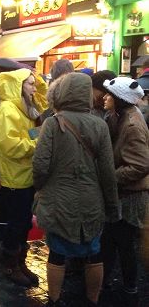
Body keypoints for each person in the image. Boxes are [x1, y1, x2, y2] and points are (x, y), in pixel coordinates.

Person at [32, 73, 119, 306]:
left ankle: (54, 299)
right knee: (94, 252)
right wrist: (112, 206)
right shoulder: (100, 125)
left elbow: (40, 165)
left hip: (58, 200)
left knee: (57, 252)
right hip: (92, 200)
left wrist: (40, 187)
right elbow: (108, 172)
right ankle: (92, 299)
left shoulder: (52, 123)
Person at [0, 68, 48, 287]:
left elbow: (44, 102)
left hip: (27, 175)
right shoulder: (8, 109)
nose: (34, 87)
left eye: (34, 83)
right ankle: (12, 266)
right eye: (29, 84)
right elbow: (10, 145)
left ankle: (20, 263)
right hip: (15, 178)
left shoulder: (28, 107)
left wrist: (37, 80)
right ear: (17, 86)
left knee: (24, 222)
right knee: (16, 224)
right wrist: (38, 143)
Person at [101, 77, 148, 305]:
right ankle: (107, 281)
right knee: (111, 240)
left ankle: (130, 288)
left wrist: (109, 178)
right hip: (122, 193)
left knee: (124, 243)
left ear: (119, 99)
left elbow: (140, 166)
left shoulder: (132, 125)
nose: (104, 97)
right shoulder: (117, 117)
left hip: (130, 196)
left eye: (109, 95)